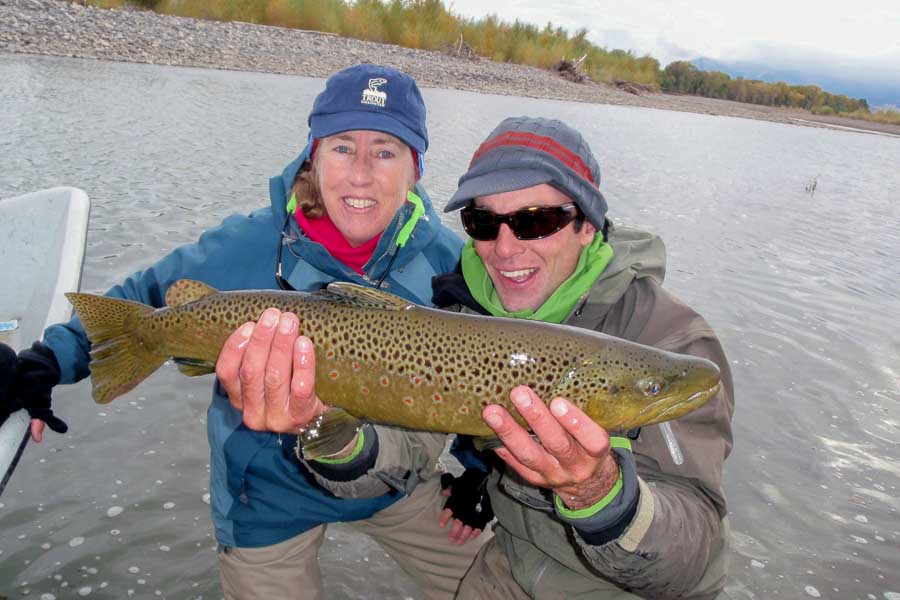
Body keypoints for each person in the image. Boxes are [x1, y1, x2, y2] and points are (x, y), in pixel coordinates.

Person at [0, 64, 487, 599]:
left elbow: (484, 378)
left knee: (499, 582)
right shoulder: (246, 244)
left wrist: (474, 471)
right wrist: (47, 361)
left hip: (393, 482)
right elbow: (141, 302)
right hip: (267, 494)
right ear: (313, 155)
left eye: (386, 151)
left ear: (415, 168)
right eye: (343, 147)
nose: (362, 173)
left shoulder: (452, 265)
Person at [432, 116, 735, 599]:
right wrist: (334, 443)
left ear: (587, 226)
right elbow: (399, 436)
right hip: (510, 566)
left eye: (535, 220)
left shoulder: (670, 341)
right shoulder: (466, 306)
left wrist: (603, 497)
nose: (505, 248)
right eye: (483, 222)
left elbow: (693, 552)